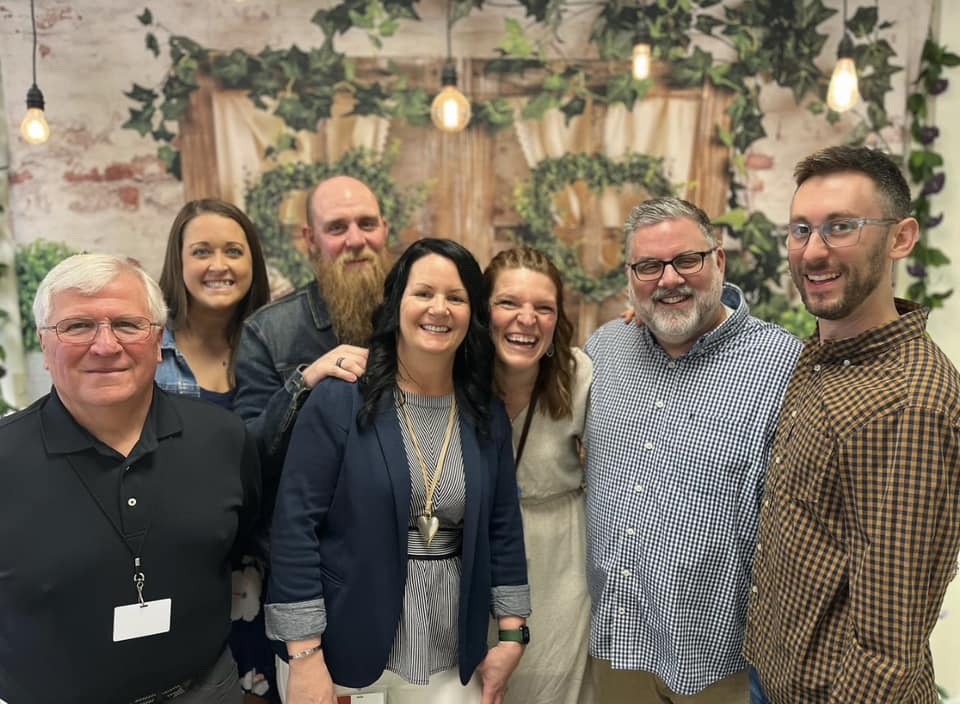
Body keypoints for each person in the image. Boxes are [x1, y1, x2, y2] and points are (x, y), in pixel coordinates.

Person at [265, 238, 530, 704]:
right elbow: (294, 528)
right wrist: (305, 656)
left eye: (456, 297)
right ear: (396, 305)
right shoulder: (341, 399)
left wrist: (511, 636)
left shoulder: (484, 415)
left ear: (473, 315)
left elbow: (503, 529)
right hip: (342, 650)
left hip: (451, 656)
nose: (439, 308)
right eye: (423, 293)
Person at [743, 146, 960, 702]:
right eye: (800, 229)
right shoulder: (826, 354)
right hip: (776, 671)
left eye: (841, 227)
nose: (813, 252)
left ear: (901, 238)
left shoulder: (908, 403)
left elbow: (886, 649)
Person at [0, 254, 260, 704]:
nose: (105, 345)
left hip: (206, 691)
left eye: (126, 324)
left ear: (158, 339)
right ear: (44, 345)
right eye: (77, 326)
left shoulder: (224, 438)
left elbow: (243, 542)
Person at [584, 197, 801, 703]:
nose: (669, 279)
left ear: (718, 261)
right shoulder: (606, 349)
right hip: (618, 647)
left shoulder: (784, 364)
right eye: (649, 266)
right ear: (630, 276)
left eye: (686, 260)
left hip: (722, 663)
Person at [156, 198, 276, 701]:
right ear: (178, 263)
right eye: (201, 251)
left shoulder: (277, 345)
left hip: (269, 567)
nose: (219, 265)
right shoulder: (148, 352)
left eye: (234, 250)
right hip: (181, 569)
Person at [483, 246, 596, 704]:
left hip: (561, 559)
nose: (526, 319)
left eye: (543, 307)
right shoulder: (453, 377)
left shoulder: (578, 374)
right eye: (509, 303)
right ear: (482, 310)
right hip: (478, 556)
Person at [233, 175, 390, 476]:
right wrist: (303, 384)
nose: (356, 240)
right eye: (337, 228)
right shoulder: (267, 332)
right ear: (310, 239)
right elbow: (250, 454)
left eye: (367, 224)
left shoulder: (418, 320)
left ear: (384, 230)